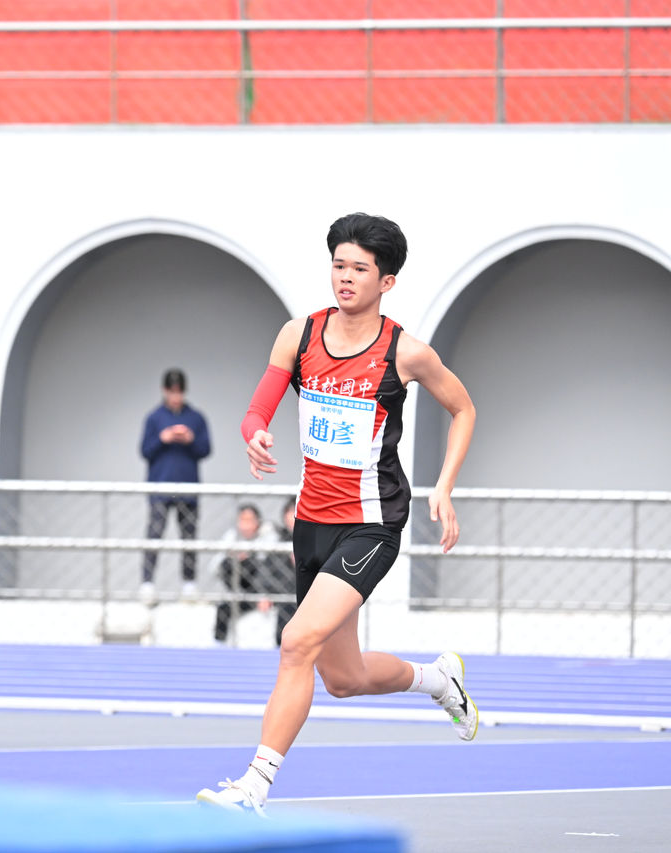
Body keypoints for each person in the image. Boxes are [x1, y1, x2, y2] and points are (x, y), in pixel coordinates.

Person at [196, 213, 479, 815]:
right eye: (338, 265)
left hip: (371, 523)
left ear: (387, 281)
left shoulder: (406, 352)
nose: (345, 277)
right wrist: (254, 434)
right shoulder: (298, 335)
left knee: (295, 640)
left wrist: (445, 486)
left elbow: (464, 409)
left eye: (359, 269)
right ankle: (438, 679)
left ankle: (253, 787)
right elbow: (257, 410)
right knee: (343, 679)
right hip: (312, 524)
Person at [139, 368, 211, 603]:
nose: (175, 397)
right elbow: (144, 451)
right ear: (164, 391)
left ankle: (189, 585)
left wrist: (190, 440)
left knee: (189, 537)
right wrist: (163, 438)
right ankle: (147, 585)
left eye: (179, 392)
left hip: (188, 488)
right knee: (154, 534)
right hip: (160, 487)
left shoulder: (196, 418)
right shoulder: (154, 418)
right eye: (171, 392)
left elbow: (206, 449)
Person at [212, 503, 279, 645]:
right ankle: (218, 644)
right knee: (223, 608)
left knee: (253, 562)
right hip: (240, 588)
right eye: (242, 520)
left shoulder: (268, 535)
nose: (245, 525)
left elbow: (268, 568)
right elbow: (215, 566)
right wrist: (233, 556)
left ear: (257, 521)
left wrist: (265, 595)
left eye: (249, 520)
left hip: (264, 588)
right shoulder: (232, 536)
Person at [266, 496, 298, 647]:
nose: (291, 517)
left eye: (295, 511)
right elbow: (267, 570)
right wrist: (266, 594)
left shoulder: (316, 540)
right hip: (282, 592)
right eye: (289, 512)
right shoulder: (279, 539)